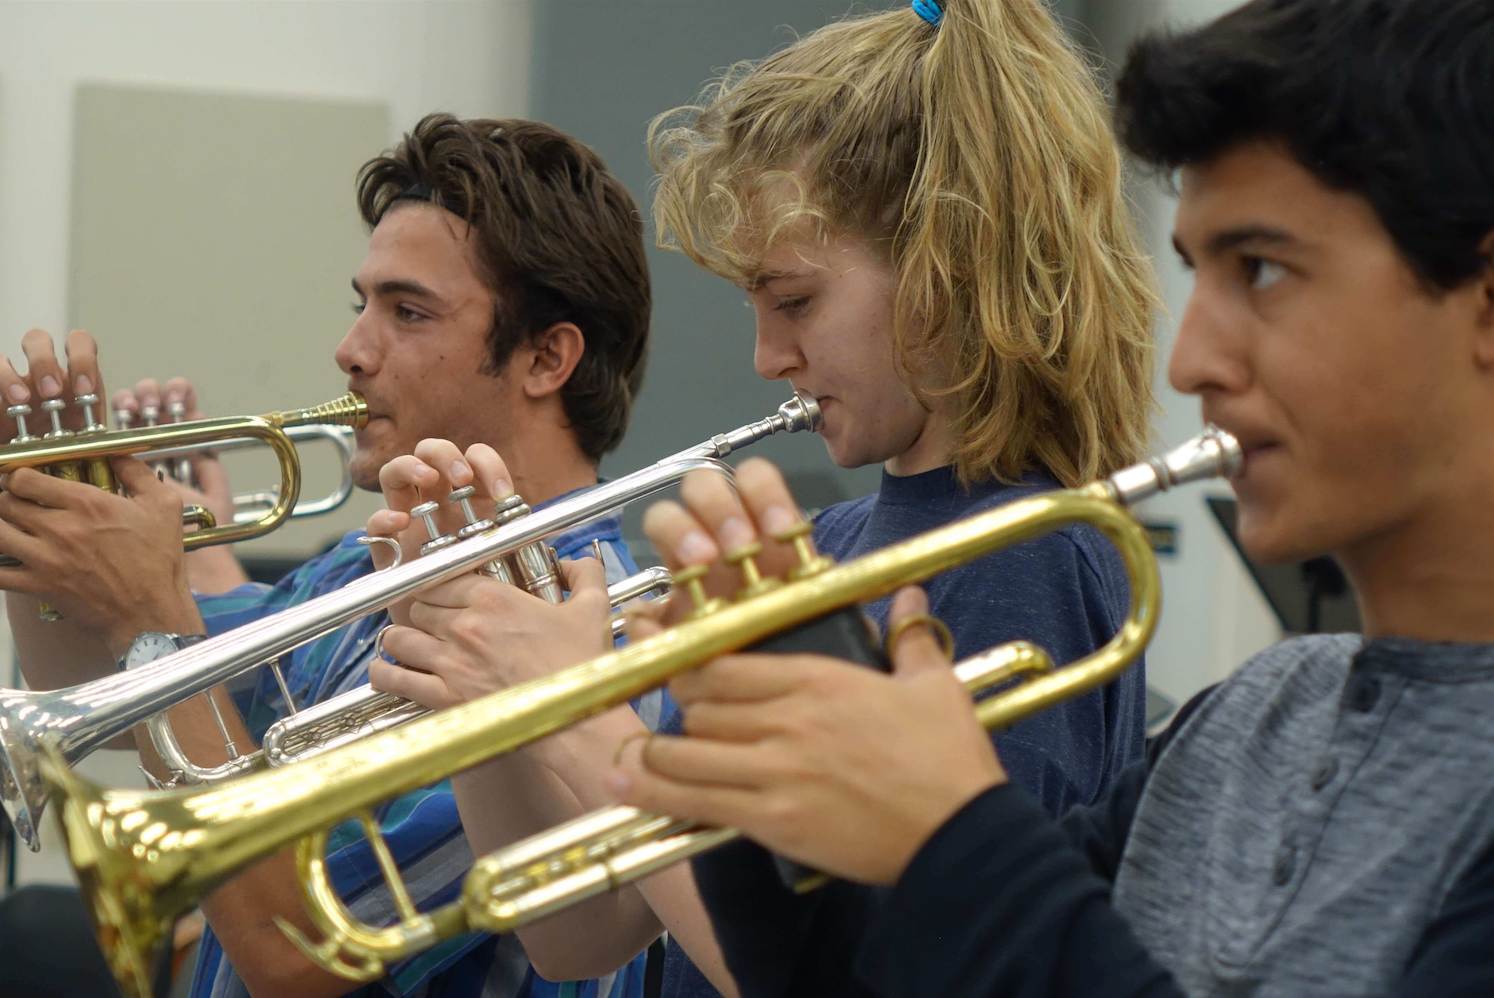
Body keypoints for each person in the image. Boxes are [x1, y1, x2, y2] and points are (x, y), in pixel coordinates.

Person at [609, 0, 1494, 994]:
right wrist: (745, 774)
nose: (1192, 361)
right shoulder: (1247, 719)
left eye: (1264, 269)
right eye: (1198, 273)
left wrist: (949, 828)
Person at [369, 0, 1156, 995]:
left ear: (949, 263)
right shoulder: (826, 541)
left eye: (794, 302)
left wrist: (581, 710)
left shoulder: (1023, 554)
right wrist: (477, 683)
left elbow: (888, 970)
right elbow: (581, 934)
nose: (765, 355)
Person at [0, 113, 657, 998]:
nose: (351, 351)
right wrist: (42, 522)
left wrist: (150, 614)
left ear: (547, 357)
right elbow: (98, 696)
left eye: (407, 311)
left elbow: (303, 957)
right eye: (363, 305)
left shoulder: (587, 625)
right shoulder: (366, 560)